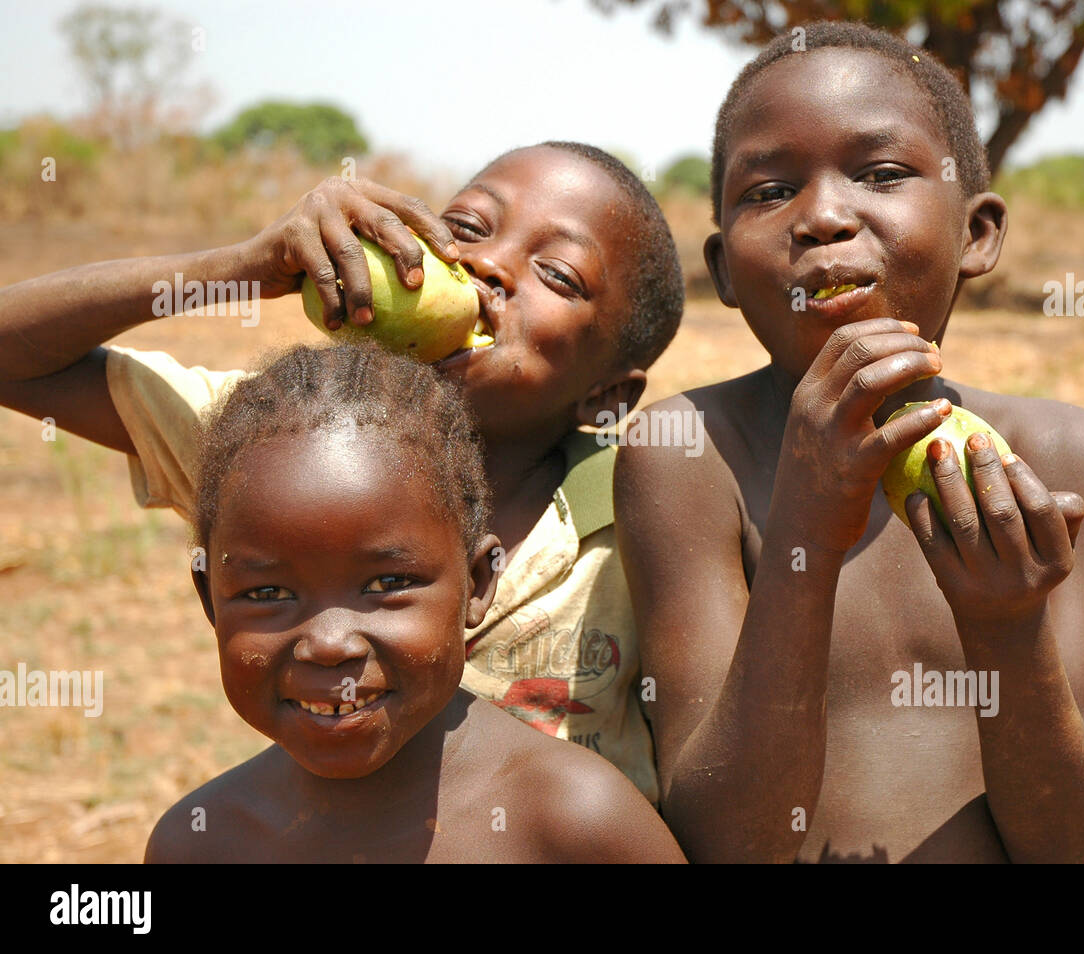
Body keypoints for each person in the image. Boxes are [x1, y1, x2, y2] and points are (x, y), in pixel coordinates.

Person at [0, 142, 682, 804]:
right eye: (466, 229)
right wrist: (241, 266)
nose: (486, 265)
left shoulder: (644, 513)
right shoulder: (272, 447)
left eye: (558, 275)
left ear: (608, 398)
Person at [614, 22, 1084, 863]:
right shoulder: (688, 452)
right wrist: (806, 530)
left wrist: (1005, 628)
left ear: (977, 234)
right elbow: (726, 839)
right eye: (769, 190)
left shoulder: (1061, 454)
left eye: (881, 174)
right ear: (727, 271)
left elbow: (1079, 843)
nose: (821, 215)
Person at [144, 341, 684, 863]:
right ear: (211, 602)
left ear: (477, 583)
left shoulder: (576, 822)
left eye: (386, 585)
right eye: (267, 594)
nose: (329, 644)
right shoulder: (202, 842)